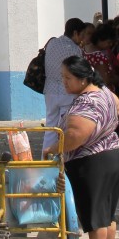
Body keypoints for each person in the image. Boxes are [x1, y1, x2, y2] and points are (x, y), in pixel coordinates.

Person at [59, 54, 119, 239]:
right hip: (114, 155)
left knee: (95, 214)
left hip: (92, 161)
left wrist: (54, 148)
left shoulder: (87, 101)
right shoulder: (107, 93)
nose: (64, 82)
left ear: (82, 78)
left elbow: (76, 135)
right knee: (107, 214)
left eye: (68, 78)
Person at [43, 17, 86, 155]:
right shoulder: (75, 50)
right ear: (75, 33)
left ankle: (46, 158)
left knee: (50, 127)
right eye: (81, 35)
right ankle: (62, 159)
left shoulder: (52, 43)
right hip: (67, 92)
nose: (82, 39)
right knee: (65, 128)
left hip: (50, 91)